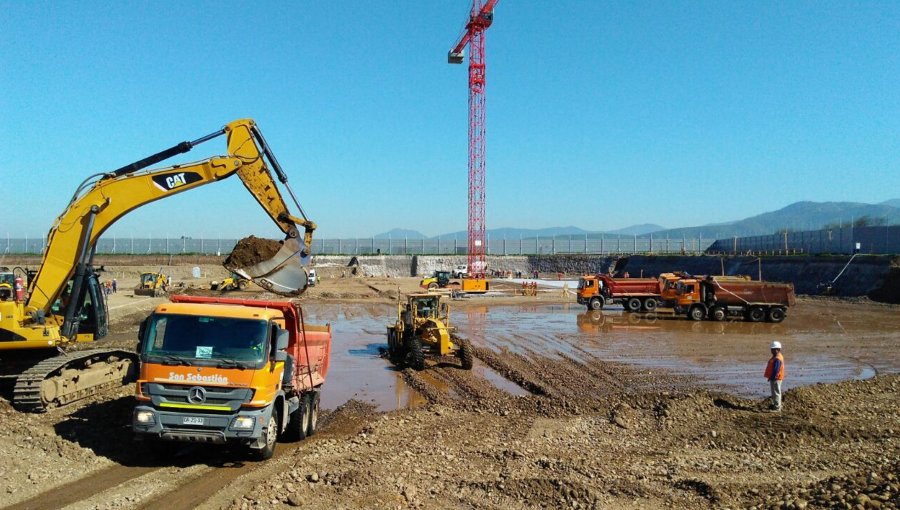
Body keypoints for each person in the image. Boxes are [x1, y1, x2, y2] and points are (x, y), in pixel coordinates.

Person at [764, 341, 785, 411]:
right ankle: (776, 405)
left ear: (778, 349)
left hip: (776, 378)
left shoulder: (778, 358)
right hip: (775, 378)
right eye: (772, 349)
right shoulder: (775, 357)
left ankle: (777, 407)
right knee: (774, 392)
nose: (772, 351)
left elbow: (776, 370)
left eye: (773, 349)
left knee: (776, 392)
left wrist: (771, 377)